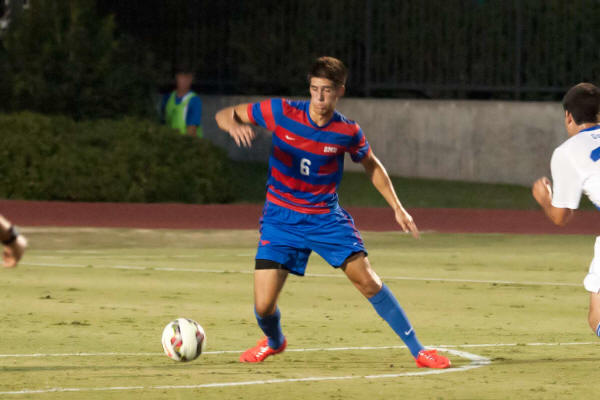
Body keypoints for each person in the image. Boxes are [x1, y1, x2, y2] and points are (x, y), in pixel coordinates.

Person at [215, 56, 451, 369]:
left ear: (340, 90)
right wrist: (233, 124)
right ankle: (274, 342)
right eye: (314, 89)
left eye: (326, 90)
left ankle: (419, 351)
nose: (319, 97)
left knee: (368, 281)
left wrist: (397, 207)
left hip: (325, 220)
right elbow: (224, 114)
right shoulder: (281, 111)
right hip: (280, 219)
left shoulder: (347, 130)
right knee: (263, 306)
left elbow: (371, 165)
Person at [533, 82, 600, 339]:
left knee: (597, 317)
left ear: (568, 116)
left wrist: (544, 198)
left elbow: (561, 217)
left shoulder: (567, 152)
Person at [161, 65, 203, 137]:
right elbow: (162, 123)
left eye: (188, 77)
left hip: (186, 141)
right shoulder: (168, 98)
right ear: (176, 77)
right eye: (182, 77)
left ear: (191, 79)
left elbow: (191, 131)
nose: (185, 81)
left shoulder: (194, 100)